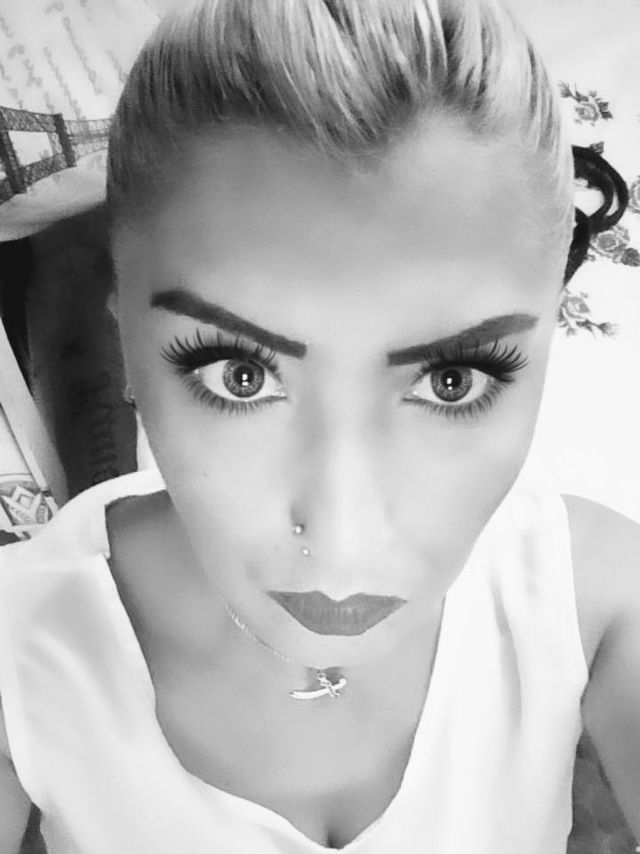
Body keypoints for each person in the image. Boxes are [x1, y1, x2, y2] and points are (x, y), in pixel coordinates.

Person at [0, 0, 638, 851]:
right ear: (125, 347)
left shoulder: (599, 599)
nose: (342, 540)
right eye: (241, 375)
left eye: (451, 381)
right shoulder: (21, 648)